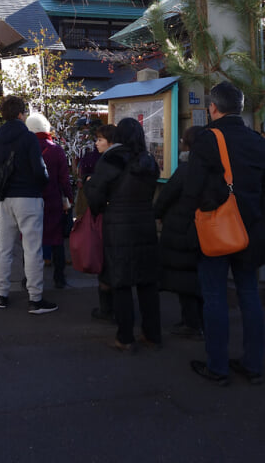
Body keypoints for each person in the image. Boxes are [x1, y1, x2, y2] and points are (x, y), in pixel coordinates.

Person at [184, 81, 265, 386]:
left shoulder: (207, 140)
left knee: (215, 295)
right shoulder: (258, 140)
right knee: (249, 295)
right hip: (252, 231)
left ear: (213, 108)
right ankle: (253, 364)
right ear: (241, 108)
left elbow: (192, 190)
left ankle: (217, 366)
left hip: (217, 231)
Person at [86, 117, 161, 352]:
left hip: (118, 225)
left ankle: (125, 337)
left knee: (121, 281)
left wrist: (98, 205)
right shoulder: (149, 161)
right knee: (147, 282)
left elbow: (96, 194)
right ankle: (152, 335)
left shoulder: (113, 159)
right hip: (145, 223)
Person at [0, 95, 56, 314]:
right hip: (29, 197)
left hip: (6, 198)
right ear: (20, 114)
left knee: (4, 248)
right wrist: (41, 183)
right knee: (32, 249)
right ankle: (35, 298)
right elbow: (39, 170)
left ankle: (1, 294)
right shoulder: (28, 138)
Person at [154, 125, 204, 339]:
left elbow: (166, 197)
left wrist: (157, 213)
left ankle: (192, 323)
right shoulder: (213, 167)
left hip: (181, 230)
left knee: (185, 280)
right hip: (203, 229)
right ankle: (200, 321)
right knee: (200, 279)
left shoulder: (186, 168)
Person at [26, 113, 73, 289]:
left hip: (30, 199)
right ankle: (59, 278)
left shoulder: (25, 148)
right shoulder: (56, 150)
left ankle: (28, 279)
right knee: (56, 240)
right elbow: (64, 179)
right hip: (53, 200)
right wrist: (69, 198)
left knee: (30, 242)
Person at [89, 123, 117, 322]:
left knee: (108, 265)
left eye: (100, 139)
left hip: (112, 221)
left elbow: (97, 196)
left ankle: (107, 310)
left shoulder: (108, 162)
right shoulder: (134, 159)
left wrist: (90, 183)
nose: (96, 143)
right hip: (128, 223)